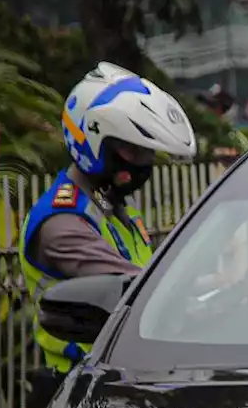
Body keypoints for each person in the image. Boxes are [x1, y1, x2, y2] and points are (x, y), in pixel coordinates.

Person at [20, 62, 196, 384]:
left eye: (147, 153)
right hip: (80, 388)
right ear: (94, 143)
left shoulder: (112, 207)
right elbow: (140, 294)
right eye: (132, 151)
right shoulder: (63, 223)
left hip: (124, 375)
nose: (144, 164)